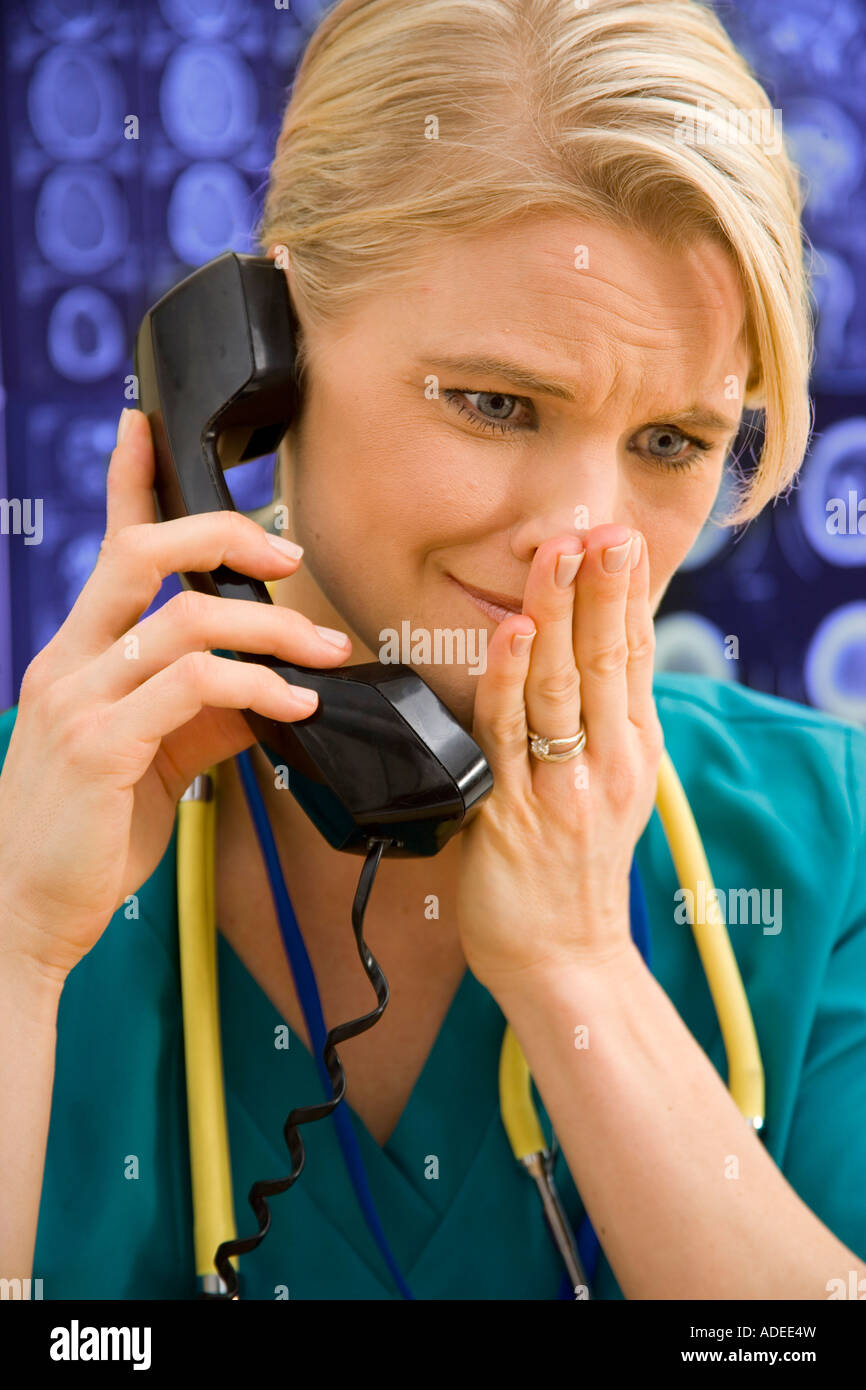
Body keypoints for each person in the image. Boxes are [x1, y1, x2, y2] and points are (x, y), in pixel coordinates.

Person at [1, 0, 865, 1301]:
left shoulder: (828, 837)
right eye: (496, 403)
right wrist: (16, 954)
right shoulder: (28, 832)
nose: (577, 536)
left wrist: (579, 970)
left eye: (671, 443)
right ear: (259, 362)